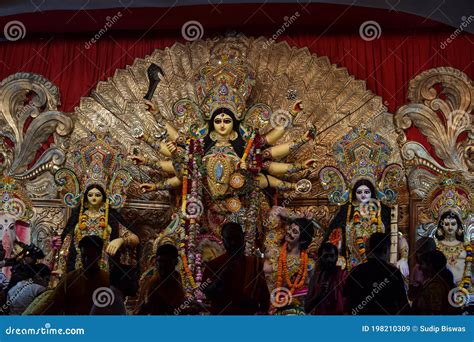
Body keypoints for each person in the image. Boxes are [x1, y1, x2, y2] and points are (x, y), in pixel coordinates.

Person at [203, 222, 270, 315]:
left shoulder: (255, 263)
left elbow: (264, 296)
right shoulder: (213, 265)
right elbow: (207, 294)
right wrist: (221, 277)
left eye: (237, 238)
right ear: (223, 240)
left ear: (243, 237)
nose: (233, 243)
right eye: (229, 239)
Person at [38, 235, 110, 315]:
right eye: (83, 256)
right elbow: (53, 304)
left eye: (90, 257)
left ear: (99, 256)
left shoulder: (108, 280)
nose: (86, 260)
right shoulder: (70, 279)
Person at [343, 232, 409, 315]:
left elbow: (345, 302)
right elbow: (402, 304)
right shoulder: (393, 272)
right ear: (386, 250)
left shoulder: (356, 271)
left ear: (368, 251)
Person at [264, 214, 315, 315]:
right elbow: (275, 211)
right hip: (265, 304)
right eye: (290, 228)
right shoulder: (273, 251)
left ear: (303, 240)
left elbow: (308, 293)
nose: (288, 232)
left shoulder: (307, 264)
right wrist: (298, 217)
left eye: (294, 232)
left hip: (290, 310)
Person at [138, 243, 186, 315]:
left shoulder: (176, 276)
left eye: (167, 262)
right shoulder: (150, 280)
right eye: (160, 261)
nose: (162, 265)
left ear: (175, 262)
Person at [305, 242, 347, 314]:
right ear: (320, 258)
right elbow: (307, 308)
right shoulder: (315, 279)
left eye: (331, 256)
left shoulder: (344, 275)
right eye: (325, 256)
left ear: (337, 257)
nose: (329, 259)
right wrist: (318, 295)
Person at [411, 250, 458, 314]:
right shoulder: (431, 281)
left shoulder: (435, 286)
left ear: (430, 265)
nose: (419, 268)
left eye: (422, 264)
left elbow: (434, 313)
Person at [408, 237, 436, 302]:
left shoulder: (440, 268)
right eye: (417, 252)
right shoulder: (417, 268)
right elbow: (411, 295)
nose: (417, 255)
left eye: (419, 252)